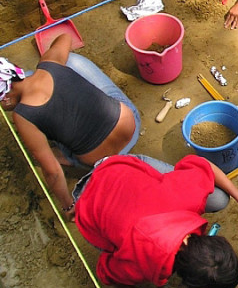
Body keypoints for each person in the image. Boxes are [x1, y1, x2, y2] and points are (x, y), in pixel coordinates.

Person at [73, 153, 238, 288]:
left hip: (119, 171)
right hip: (87, 200)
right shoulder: (141, 266)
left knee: (217, 199)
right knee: (110, 241)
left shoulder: (187, 197)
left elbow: (204, 165)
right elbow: (105, 272)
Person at [0, 33, 141, 216]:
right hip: (132, 128)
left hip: (100, 162)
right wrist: (49, 56)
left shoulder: (22, 116)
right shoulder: (49, 62)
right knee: (70, 60)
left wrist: (68, 206)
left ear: (7, 97)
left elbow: (53, 173)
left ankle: (67, 158)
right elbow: (65, 37)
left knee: (43, 141)